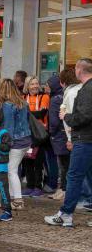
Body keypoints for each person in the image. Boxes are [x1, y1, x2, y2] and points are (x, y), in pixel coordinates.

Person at [46, 58, 92, 228]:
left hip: (84, 139)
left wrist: (66, 117)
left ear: (79, 70)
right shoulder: (85, 88)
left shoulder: (86, 89)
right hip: (87, 139)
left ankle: (66, 214)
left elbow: (84, 116)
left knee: (74, 177)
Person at [0, 78, 31, 211]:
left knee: (11, 170)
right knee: (12, 169)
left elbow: (9, 127)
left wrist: (5, 143)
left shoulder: (7, 105)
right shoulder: (23, 102)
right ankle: (10, 199)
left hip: (15, 142)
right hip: (26, 140)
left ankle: (18, 200)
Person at [48, 69, 77, 203]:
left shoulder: (56, 99)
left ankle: (64, 190)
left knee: (64, 165)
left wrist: (51, 132)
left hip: (61, 135)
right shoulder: (71, 94)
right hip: (70, 133)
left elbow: (54, 120)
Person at [23, 76, 50, 197]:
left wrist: (26, 113)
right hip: (27, 133)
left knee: (38, 161)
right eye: (32, 84)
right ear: (27, 86)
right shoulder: (23, 97)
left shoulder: (44, 97)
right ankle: (30, 186)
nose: (35, 86)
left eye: (36, 83)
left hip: (39, 133)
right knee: (27, 159)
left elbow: (42, 113)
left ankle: (38, 187)